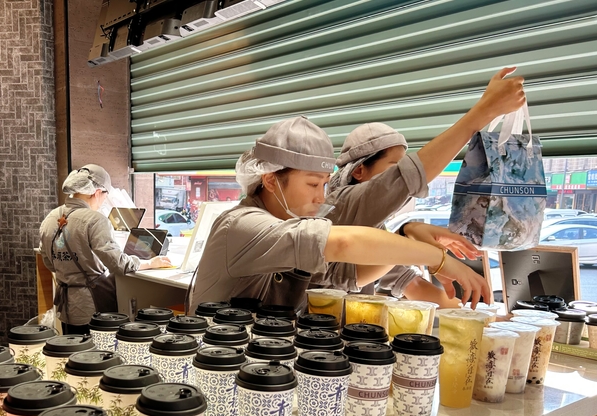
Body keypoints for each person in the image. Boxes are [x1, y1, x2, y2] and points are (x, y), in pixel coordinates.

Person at [188, 104, 527, 310]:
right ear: (271, 179)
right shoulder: (243, 225)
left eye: (323, 183)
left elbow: (350, 273)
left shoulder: (288, 222)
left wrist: (412, 238)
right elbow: (344, 243)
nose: (322, 197)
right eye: (311, 184)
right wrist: (438, 261)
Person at [317, 68, 526, 306]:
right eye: (393, 166)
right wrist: (485, 110)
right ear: (358, 170)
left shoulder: (375, 225)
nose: (396, 177)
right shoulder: (340, 205)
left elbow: (409, 282)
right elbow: (409, 177)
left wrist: (471, 315)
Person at [40, 165, 171, 334]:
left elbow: (48, 261)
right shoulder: (95, 220)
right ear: (97, 192)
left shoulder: (50, 218)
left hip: (65, 306)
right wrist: (150, 263)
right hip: (92, 306)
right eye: (105, 195)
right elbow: (117, 263)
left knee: (73, 351)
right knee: (97, 354)